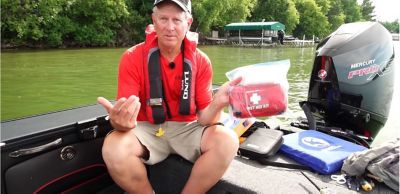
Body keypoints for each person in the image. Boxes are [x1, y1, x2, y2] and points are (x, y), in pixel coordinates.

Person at [97, 0, 241, 193]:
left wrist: (218, 103)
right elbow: (126, 123)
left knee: (227, 140)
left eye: (177, 20)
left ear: (188, 23)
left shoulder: (201, 61)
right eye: (163, 18)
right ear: (154, 20)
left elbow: (207, 120)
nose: (170, 27)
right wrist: (118, 122)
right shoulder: (132, 57)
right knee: (113, 147)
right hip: (147, 128)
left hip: (188, 129)